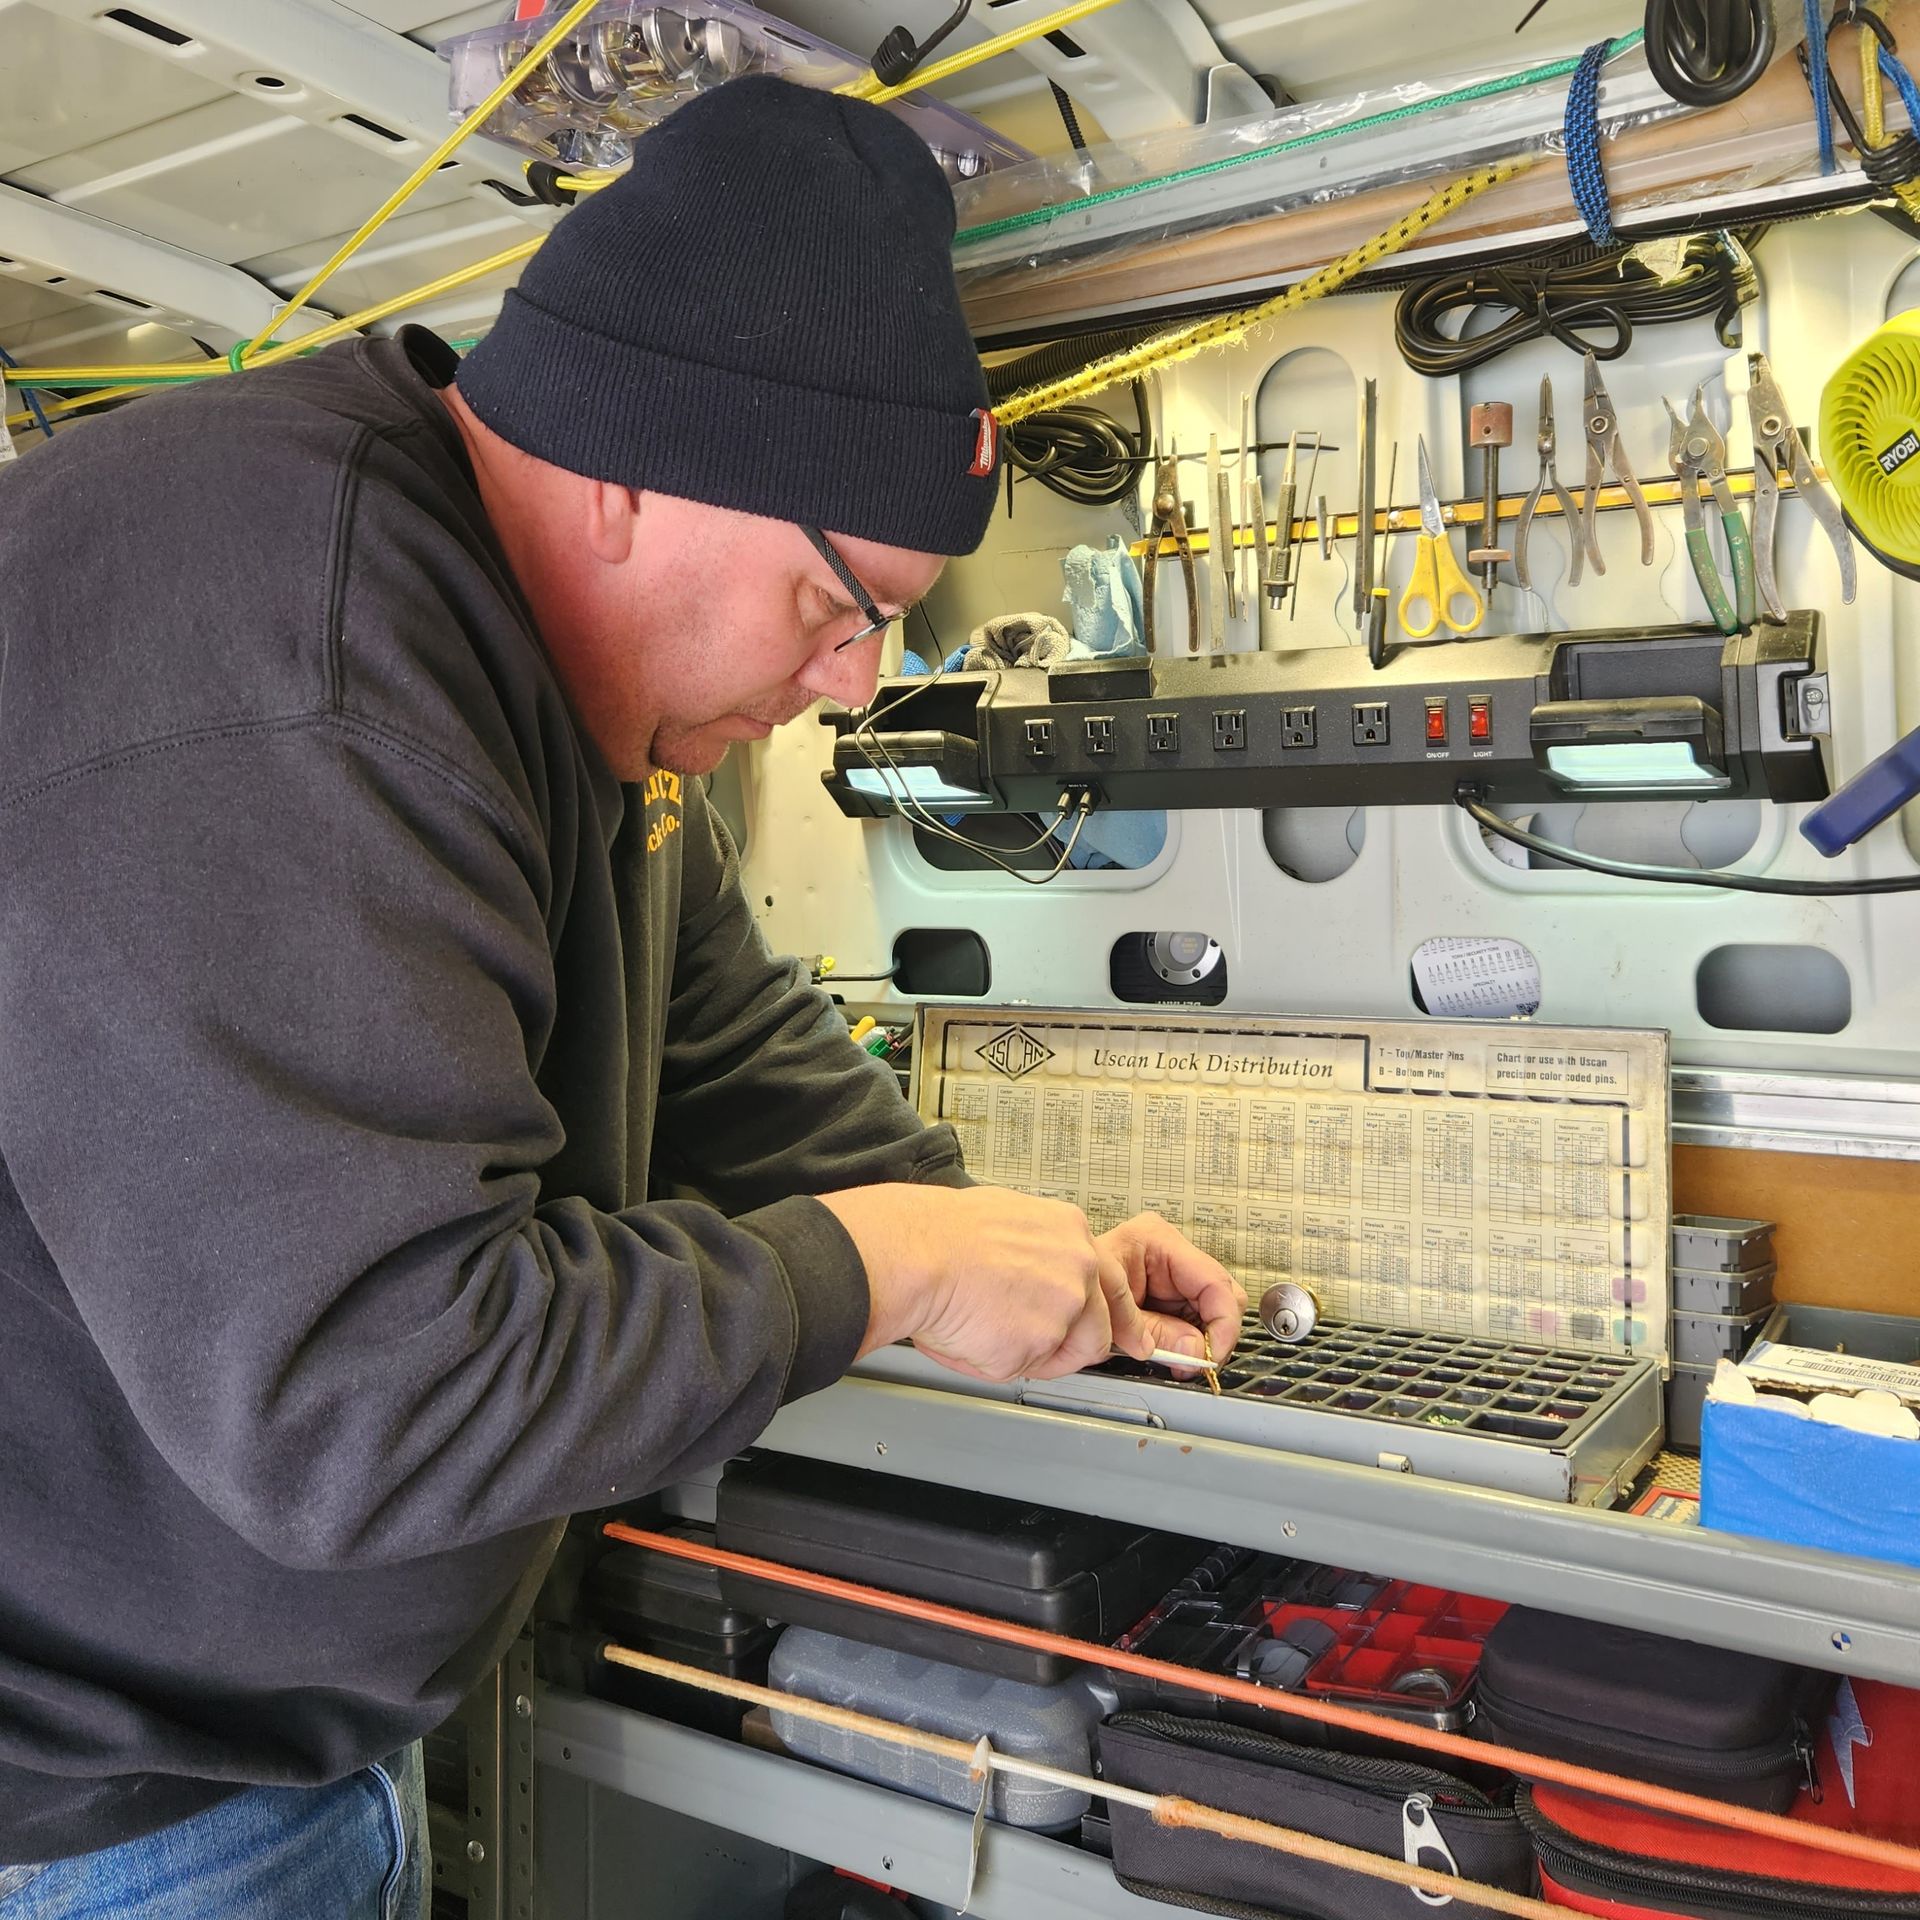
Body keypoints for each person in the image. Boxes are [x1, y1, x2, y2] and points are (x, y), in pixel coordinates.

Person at [0, 74, 1241, 1915]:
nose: (851, 681)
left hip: (259, 1727)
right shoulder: (313, 668)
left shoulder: (567, 683)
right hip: (92, 1804)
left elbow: (714, 1025)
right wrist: (876, 1265)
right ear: (628, 477)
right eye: (841, 605)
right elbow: (372, 1396)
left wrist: (1001, 1232)